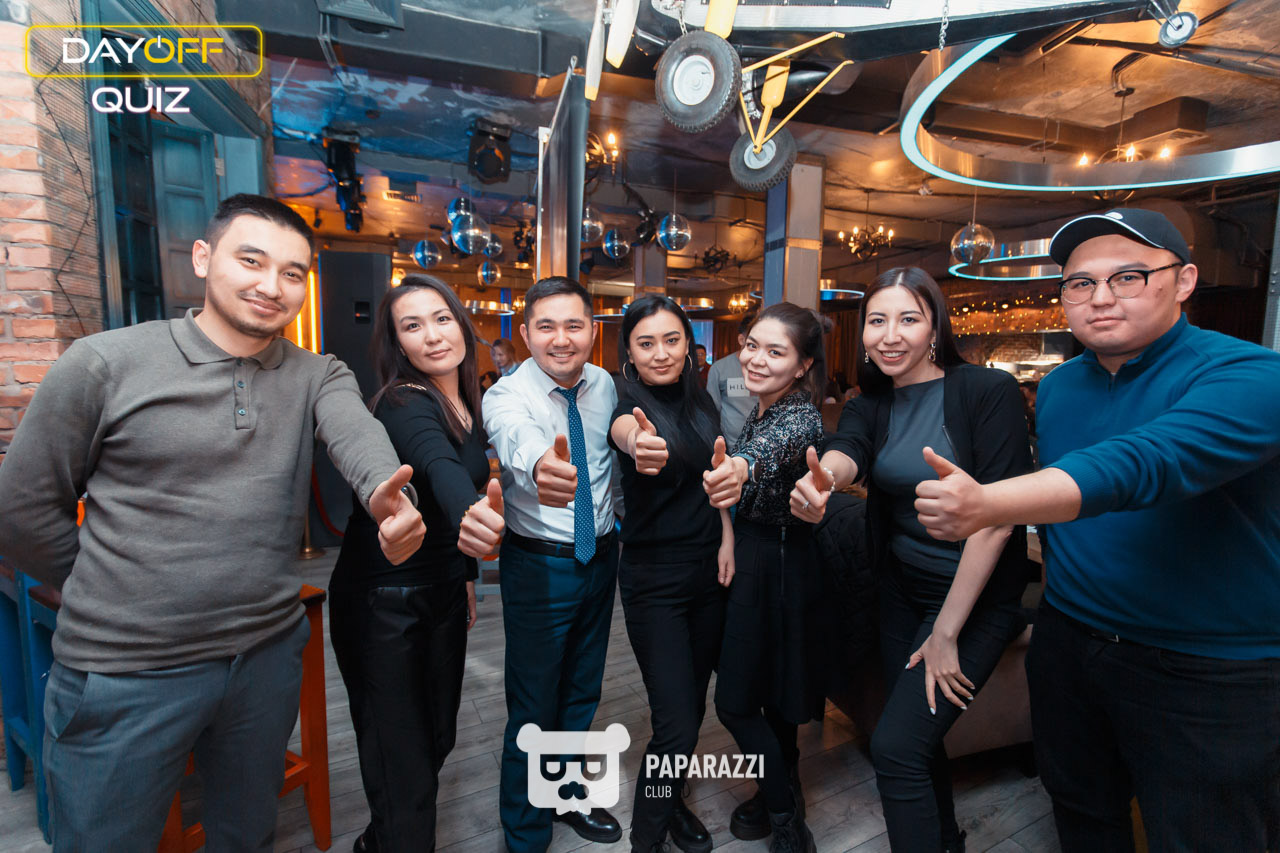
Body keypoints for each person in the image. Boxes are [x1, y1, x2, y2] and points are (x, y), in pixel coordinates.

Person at [0, 194, 426, 850]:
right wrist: (100, 586)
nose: (271, 285)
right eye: (251, 260)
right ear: (203, 258)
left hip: (264, 658)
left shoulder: (317, 373)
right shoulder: (104, 363)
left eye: (291, 272)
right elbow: (21, 506)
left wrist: (389, 499)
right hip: (125, 670)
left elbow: (356, 434)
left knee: (246, 836)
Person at [912, 208, 1280, 852]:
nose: (1101, 297)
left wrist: (988, 502)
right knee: (1081, 811)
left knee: (1206, 834)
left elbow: (1145, 463)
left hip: (1207, 667)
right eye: (1080, 283)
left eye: (1128, 276)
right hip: (1070, 641)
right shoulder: (1058, 388)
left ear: (1185, 281)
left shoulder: (1250, 375)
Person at [791, 267, 1033, 853]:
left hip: (975, 598)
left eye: (908, 319)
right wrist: (825, 481)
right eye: (877, 321)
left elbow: (999, 517)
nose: (890, 335)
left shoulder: (988, 391)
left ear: (935, 327)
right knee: (916, 741)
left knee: (896, 748)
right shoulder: (870, 403)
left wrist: (946, 632)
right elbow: (848, 451)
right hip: (901, 590)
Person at [330, 275, 505, 853]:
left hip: (442, 587)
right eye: (412, 326)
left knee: (435, 739)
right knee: (402, 763)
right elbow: (437, 467)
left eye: (441, 318)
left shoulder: (467, 403)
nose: (431, 336)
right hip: (384, 600)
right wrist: (472, 513)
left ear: (462, 325)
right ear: (397, 343)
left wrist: (466, 574)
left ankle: (378, 841)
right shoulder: (402, 400)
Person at [482, 277, 625, 852]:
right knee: (534, 703)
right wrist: (543, 463)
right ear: (525, 334)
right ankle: (524, 832)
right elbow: (515, 438)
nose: (561, 339)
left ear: (592, 330)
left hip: (602, 555)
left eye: (573, 325)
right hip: (539, 565)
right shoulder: (505, 395)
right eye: (546, 326)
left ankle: (566, 795)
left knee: (583, 690)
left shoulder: (605, 384)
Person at [607, 295, 733, 853]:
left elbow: (715, 480)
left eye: (672, 339)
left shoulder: (700, 399)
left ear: (688, 345)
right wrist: (639, 444)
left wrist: (726, 535)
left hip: (709, 573)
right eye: (646, 343)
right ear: (629, 353)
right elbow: (625, 435)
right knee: (676, 722)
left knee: (693, 707)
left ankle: (673, 799)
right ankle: (648, 838)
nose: (660, 353)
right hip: (653, 580)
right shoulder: (624, 404)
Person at [707, 303, 827, 853]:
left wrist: (738, 466)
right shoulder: (763, 407)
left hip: (779, 562)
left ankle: (786, 822)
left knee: (735, 703)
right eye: (752, 345)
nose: (755, 359)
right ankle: (782, 791)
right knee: (774, 697)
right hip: (765, 551)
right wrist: (729, 532)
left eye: (775, 352)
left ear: (802, 365)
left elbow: (764, 454)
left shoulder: (799, 417)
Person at [705, 313, 758, 451]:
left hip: (764, 444)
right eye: (754, 342)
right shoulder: (719, 368)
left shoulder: (768, 369)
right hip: (730, 445)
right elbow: (713, 409)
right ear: (741, 339)